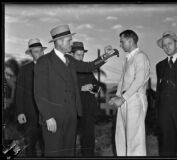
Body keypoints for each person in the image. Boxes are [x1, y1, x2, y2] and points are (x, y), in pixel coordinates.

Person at [34, 24, 115, 157]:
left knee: (68, 153)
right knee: (53, 153)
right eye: (69, 40)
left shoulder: (70, 59)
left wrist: (105, 56)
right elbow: (39, 93)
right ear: (59, 42)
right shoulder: (44, 61)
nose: (71, 43)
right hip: (54, 118)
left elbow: (89, 66)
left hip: (72, 116)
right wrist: (48, 117)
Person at [109, 29, 150, 156]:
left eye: (122, 42)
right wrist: (117, 96)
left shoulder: (140, 56)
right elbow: (122, 80)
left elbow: (139, 81)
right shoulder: (127, 59)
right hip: (125, 100)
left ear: (130, 40)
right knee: (121, 137)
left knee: (135, 140)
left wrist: (123, 98)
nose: (120, 45)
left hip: (135, 100)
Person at [15, 38, 46, 157]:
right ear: (31, 54)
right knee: (30, 146)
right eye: (36, 52)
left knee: (47, 147)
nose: (39, 54)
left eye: (41, 51)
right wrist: (20, 112)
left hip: (47, 116)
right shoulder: (24, 70)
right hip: (30, 115)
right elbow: (19, 92)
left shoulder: (50, 69)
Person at [71, 41, 99, 156]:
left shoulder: (87, 70)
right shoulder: (67, 70)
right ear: (72, 55)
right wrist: (81, 88)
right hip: (73, 110)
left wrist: (93, 87)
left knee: (88, 139)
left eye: (82, 55)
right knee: (70, 140)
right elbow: (62, 89)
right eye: (78, 55)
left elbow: (97, 86)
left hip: (88, 110)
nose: (81, 57)